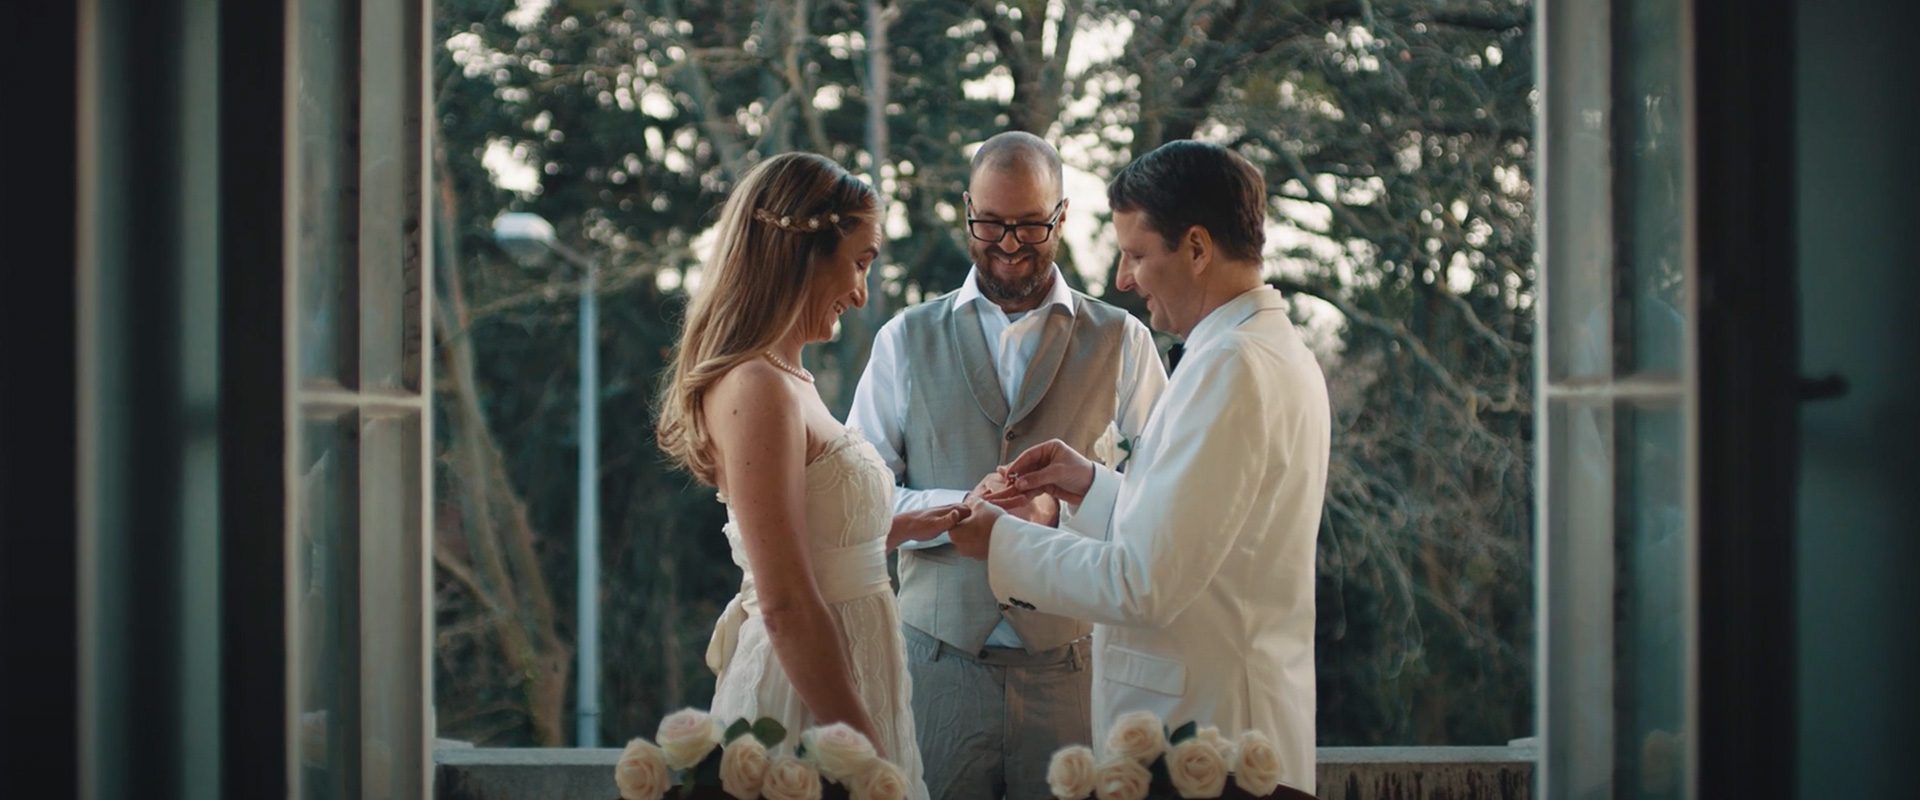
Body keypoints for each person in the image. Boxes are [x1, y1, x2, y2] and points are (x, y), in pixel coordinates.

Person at [944, 140, 1331, 798]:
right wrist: (1092, 488)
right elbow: (1205, 534)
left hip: (1208, 741)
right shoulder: (1267, 349)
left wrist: (1001, 542)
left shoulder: (1233, 367)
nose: (1124, 279)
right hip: (1219, 728)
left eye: (1137, 254)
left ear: (1197, 248)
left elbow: (1144, 582)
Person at [848, 131, 1167, 800]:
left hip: (1073, 676)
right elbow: (857, 501)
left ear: (1062, 215)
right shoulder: (904, 338)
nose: (1011, 243)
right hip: (933, 671)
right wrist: (961, 510)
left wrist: (1059, 513)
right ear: (968, 209)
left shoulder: (1126, 341)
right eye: (991, 223)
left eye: (1030, 224)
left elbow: (1160, 507)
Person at [656, 152, 948, 798]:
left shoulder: (793, 379)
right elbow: (786, 601)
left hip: (857, 678)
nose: (861, 292)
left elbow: (809, 538)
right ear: (803, 254)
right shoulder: (757, 386)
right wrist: (866, 759)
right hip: (804, 704)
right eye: (860, 262)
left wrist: (897, 530)